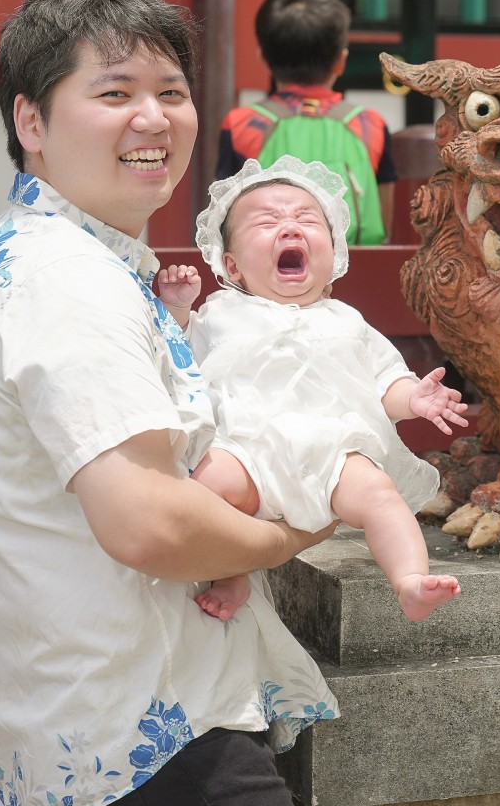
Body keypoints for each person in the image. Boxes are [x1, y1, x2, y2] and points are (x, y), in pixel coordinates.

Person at [0, 0, 339, 806]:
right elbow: (148, 523)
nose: (153, 118)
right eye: (114, 91)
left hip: (102, 733)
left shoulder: (50, 257)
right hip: (151, 741)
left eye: (171, 91)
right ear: (29, 120)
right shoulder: (65, 281)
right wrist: (297, 528)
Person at [155, 155, 466, 623]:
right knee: (203, 488)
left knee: (382, 496)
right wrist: (178, 310)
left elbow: (384, 380)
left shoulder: (346, 321)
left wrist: (413, 398)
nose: (289, 228)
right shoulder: (220, 313)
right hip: (245, 448)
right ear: (233, 266)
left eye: (306, 219)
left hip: (334, 451)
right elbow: (182, 359)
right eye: (267, 221)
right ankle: (232, 574)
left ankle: (409, 580)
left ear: (333, 256)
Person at [214, 0, 397, 245]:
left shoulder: (241, 125)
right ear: (341, 61)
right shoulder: (370, 125)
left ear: (263, 57)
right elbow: (382, 224)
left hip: (267, 276)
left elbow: (224, 220)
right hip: (355, 271)